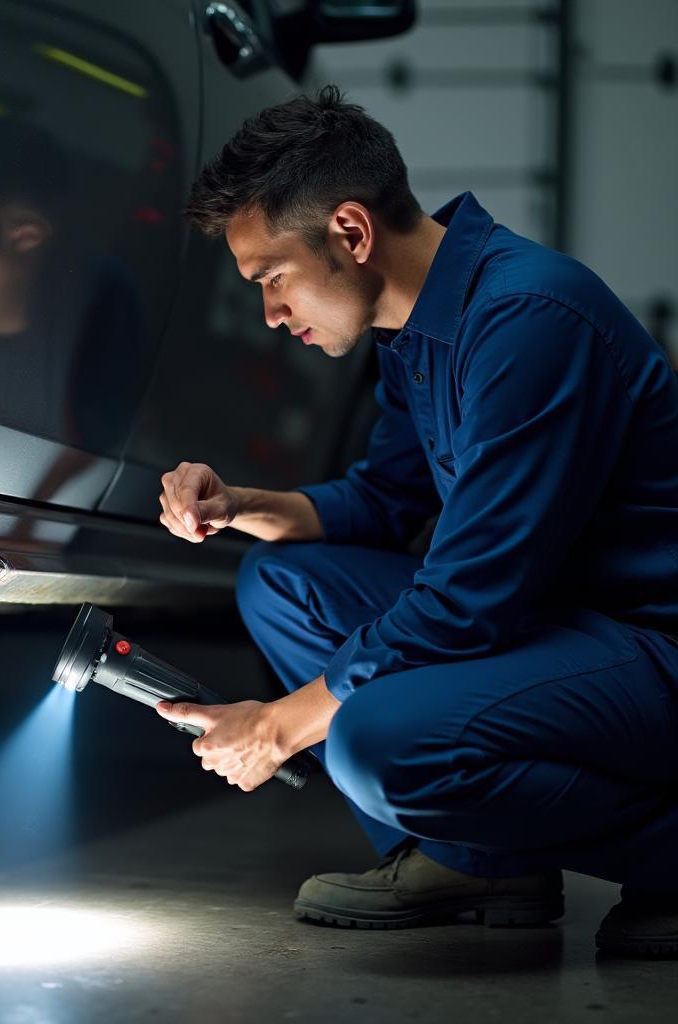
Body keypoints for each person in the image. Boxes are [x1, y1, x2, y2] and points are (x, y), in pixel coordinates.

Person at [155, 86, 678, 958]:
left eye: (272, 280)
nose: (271, 314)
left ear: (352, 234)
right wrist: (239, 506)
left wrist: (280, 725)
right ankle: (478, 861)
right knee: (281, 583)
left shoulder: (528, 320)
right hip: (550, 626)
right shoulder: (415, 328)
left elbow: (468, 600)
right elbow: (385, 504)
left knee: (375, 740)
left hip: (646, 653)